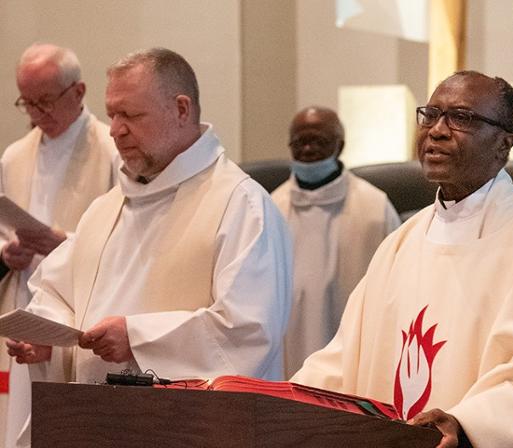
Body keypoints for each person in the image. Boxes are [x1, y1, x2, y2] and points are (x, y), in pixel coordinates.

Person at [291, 71, 513, 447]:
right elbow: (346, 360)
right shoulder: (401, 243)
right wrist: (284, 399)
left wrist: (466, 421)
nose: (437, 131)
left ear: (504, 143)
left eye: (461, 118)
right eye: (431, 115)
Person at [7, 48, 292, 445]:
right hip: (94, 427)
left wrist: (136, 337)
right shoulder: (105, 210)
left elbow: (248, 332)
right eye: (112, 114)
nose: (115, 130)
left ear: (181, 109)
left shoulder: (241, 204)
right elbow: (55, 293)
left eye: (131, 115)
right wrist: (45, 341)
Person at [0, 43, 119, 448]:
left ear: (79, 92)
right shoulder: (14, 155)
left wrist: (61, 243)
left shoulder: (112, 150)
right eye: (27, 103)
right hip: (25, 299)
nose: (36, 114)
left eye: (45, 101)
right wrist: (7, 252)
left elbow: (124, 235)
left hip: (78, 308)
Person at [272, 106, 400, 377]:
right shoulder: (272, 208)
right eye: (299, 143)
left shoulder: (374, 208)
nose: (308, 150)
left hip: (355, 355)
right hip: (287, 353)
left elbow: (398, 288)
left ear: (340, 145)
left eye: (318, 141)